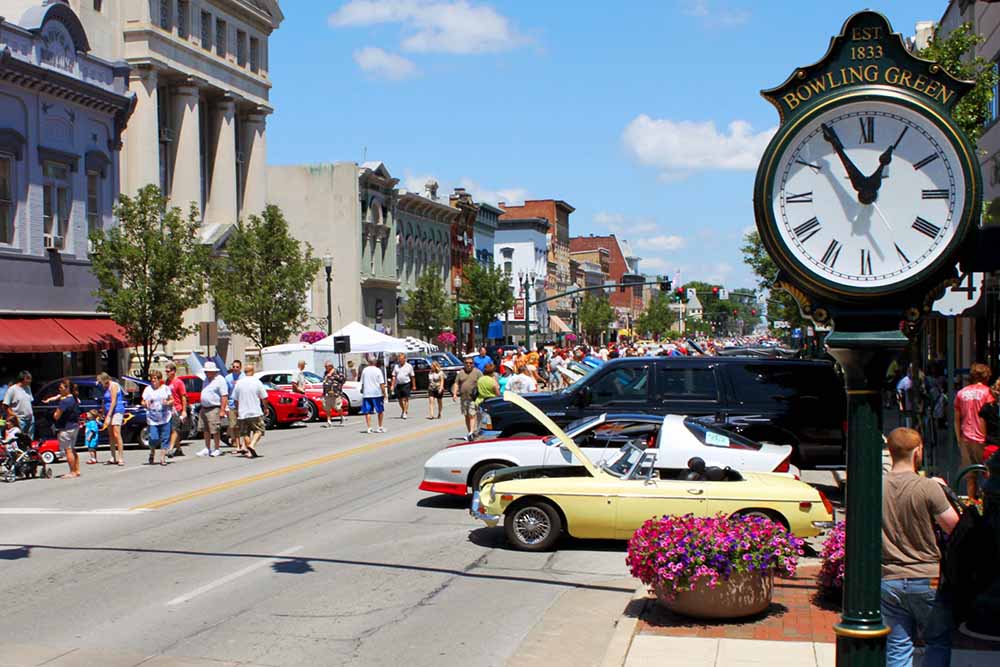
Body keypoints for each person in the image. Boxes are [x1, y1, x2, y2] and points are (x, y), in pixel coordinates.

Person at [881, 427, 959, 667]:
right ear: (918, 451)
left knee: (897, 645)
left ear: (890, 452)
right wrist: (945, 492)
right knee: (937, 641)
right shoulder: (928, 487)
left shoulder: (876, 487)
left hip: (889, 578)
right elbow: (953, 527)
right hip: (926, 577)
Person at [954, 362, 994, 497]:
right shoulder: (988, 393)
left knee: (970, 476)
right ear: (986, 377)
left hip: (966, 438)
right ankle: (985, 503)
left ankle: (972, 502)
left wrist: (959, 438)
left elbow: (957, 418)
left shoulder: (961, 393)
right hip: (984, 439)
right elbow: (990, 417)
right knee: (988, 473)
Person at [233, 364, 268, 458]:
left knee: (245, 433)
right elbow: (264, 397)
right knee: (259, 430)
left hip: (243, 413)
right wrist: (266, 408)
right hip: (255, 411)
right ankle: (252, 445)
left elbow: (235, 399)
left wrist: (237, 410)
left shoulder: (239, 383)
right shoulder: (257, 382)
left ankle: (249, 452)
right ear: (253, 371)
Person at [142, 369, 173, 466]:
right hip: (152, 418)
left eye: (155, 379)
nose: (153, 380)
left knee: (165, 438)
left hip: (165, 417)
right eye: (152, 379)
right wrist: (145, 403)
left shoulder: (165, 388)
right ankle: (152, 452)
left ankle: (162, 458)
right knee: (154, 438)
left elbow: (172, 400)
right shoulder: (148, 389)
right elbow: (143, 401)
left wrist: (167, 403)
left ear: (160, 380)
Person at [52, 378, 81, 478]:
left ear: (67, 388)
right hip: (74, 426)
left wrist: (56, 410)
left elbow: (57, 416)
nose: (59, 389)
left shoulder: (65, 402)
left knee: (68, 450)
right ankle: (77, 470)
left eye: (61, 388)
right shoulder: (74, 398)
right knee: (72, 449)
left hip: (66, 428)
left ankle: (72, 471)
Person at [198, 362, 228, 457]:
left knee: (215, 429)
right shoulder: (206, 380)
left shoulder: (220, 380)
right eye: (206, 371)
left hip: (214, 408)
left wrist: (222, 410)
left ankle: (217, 448)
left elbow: (224, 395)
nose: (206, 373)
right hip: (204, 407)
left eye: (208, 371)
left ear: (213, 371)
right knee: (205, 429)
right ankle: (207, 448)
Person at [97, 372, 126, 466]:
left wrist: (109, 415)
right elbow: (104, 400)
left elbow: (113, 401)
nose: (100, 383)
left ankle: (120, 457)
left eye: (100, 381)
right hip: (108, 410)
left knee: (116, 433)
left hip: (117, 410)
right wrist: (102, 412)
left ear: (105, 380)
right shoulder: (104, 387)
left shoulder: (113, 385)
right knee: (111, 434)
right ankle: (113, 456)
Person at [452, 358, 482, 441]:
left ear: (473, 364)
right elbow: (456, 383)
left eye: (470, 363)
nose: (469, 364)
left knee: (472, 415)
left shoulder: (477, 372)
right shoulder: (461, 373)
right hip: (463, 397)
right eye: (467, 363)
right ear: (464, 363)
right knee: (466, 415)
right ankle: (469, 433)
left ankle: (471, 432)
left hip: (473, 398)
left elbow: (482, 382)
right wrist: (454, 394)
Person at [165, 362, 188, 458]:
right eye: (166, 371)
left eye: (168, 371)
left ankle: (170, 449)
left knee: (175, 429)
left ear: (173, 371)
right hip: (169, 409)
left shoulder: (178, 382)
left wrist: (184, 410)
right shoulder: (167, 382)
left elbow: (183, 397)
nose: (166, 373)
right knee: (172, 430)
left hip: (177, 409)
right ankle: (178, 449)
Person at [3, 371, 34, 440]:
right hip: (19, 420)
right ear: (23, 379)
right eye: (28, 379)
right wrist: (14, 416)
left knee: (29, 440)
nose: (30, 381)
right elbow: (5, 405)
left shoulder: (28, 388)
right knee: (19, 441)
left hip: (30, 419)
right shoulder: (12, 390)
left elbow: (30, 402)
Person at [360, 355, 387, 433]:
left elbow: (362, 382)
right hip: (376, 394)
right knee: (380, 410)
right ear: (375, 362)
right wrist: (384, 393)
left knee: (367, 411)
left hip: (367, 393)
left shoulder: (364, 370)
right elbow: (381, 383)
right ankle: (380, 426)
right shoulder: (378, 370)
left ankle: (369, 427)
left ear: (369, 362)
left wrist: (362, 389)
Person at [474, 363, 501, 435]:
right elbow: (497, 393)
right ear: (492, 372)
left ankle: (478, 432)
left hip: (479, 401)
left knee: (479, 420)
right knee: (489, 422)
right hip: (491, 402)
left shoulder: (480, 379)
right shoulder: (492, 381)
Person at [390, 353, 415, 419]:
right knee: (400, 399)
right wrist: (392, 385)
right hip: (398, 384)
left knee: (406, 398)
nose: (400, 361)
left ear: (404, 359)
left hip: (406, 384)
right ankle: (404, 410)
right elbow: (393, 376)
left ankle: (404, 412)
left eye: (401, 359)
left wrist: (414, 385)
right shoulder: (396, 366)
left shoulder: (409, 366)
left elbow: (412, 376)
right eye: (399, 359)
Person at [321, 361, 346, 427]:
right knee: (327, 407)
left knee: (337, 407)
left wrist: (334, 377)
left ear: (331, 366)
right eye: (325, 367)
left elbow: (343, 380)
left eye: (326, 366)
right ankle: (329, 421)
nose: (325, 368)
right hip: (327, 393)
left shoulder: (337, 372)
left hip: (336, 393)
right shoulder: (326, 373)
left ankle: (341, 416)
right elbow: (324, 381)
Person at [225, 360, 243, 449]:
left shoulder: (244, 377)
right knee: (233, 424)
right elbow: (226, 392)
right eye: (234, 367)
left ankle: (243, 443)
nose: (235, 368)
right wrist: (225, 405)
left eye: (237, 367)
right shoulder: (228, 378)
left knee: (242, 424)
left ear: (240, 368)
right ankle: (235, 441)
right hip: (232, 404)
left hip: (243, 403)